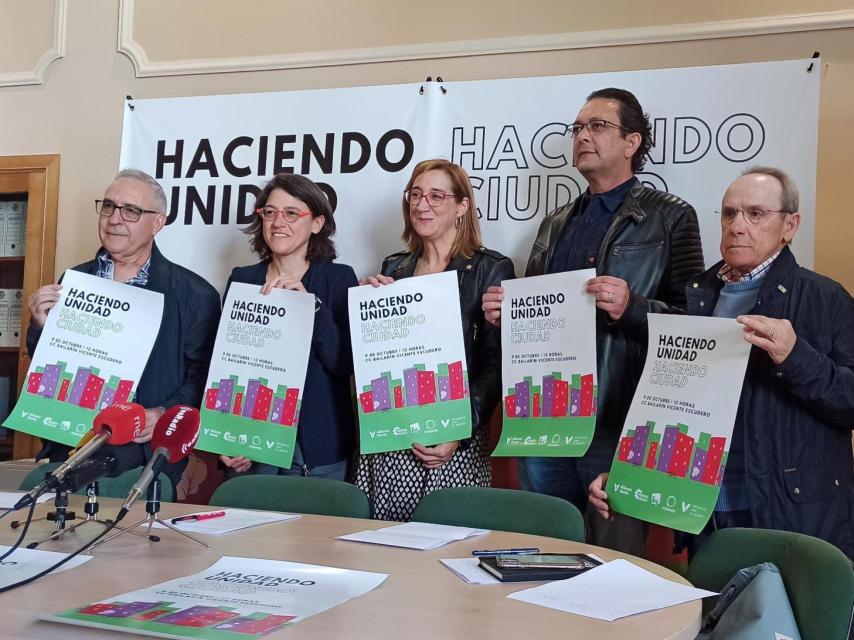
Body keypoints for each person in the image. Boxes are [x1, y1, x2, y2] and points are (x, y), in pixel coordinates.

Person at [481, 88, 705, 555]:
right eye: (578, 128)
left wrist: (635, 307)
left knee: (613, 565)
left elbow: (694, 325)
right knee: (541, 554)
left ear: (632, 142)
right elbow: (538, 318)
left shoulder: (670, 217)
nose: (582, 136)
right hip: (544, 417)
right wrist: (507, 315)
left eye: (597, 126)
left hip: (617, 421)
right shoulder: (554, 223)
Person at [589, 167, 854, 558]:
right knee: (715, 619)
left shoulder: (825, 300)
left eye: (756, 214)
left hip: (789, 517)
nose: (737, 226)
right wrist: (632, 475)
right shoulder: (700, 296)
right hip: (706, 516)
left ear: (790, 225)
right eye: (729, 214)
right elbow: (675, 403)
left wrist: (794, 357)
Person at [27, 168, 221, 495]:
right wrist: (39, 327)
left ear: (158, 222)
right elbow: (46, 363)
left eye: (131, 211)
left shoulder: (194, 294)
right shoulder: (73, 279)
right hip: (71, 444)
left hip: (141, 455)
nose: (115, 219)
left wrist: (162, 414)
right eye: (108, 206)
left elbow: (203, 378)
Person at [354, 158, 515, 521]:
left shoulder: (491, 268)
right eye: (415, 194)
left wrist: (459, 430)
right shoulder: (393, 268)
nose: (422, 205)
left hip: (452, 437)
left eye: (436, 196)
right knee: (381, 548)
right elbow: (377, 357)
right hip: (390, 438)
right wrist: (365, 305)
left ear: (462, 206)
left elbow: (495, 363)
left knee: (444, 552)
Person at [219, 174, 357, 480]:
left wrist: (312, 308)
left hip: (318, 449)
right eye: (270, 213)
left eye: (292, 213)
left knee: (311, 528)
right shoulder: (243, 280)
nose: (278, 222)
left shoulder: (338, 279)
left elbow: (344, 364)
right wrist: (226, 438)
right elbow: (229, 366)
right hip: (251, 443)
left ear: (317, 223)